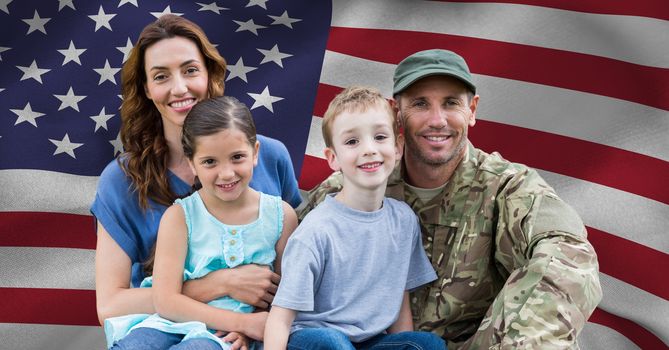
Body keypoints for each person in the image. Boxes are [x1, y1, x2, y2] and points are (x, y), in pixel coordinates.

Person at [298, 50, 603, 349]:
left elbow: (569, 258)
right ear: (396, 112)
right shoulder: (354, 186)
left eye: (451, 103)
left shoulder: (505, 187)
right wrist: (247, 282)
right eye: (420, 104)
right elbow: (280, 247)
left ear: (472, 110)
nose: (437, 120)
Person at [91, 14, 301, 344]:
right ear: (147, 89)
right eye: (161, 76)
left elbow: (295, 269)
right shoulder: (121, 180)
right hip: (157, 333)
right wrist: (221, 284)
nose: (179, 88)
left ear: (210, 74)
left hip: (249, 334)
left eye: (190, 70)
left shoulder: (270, 157)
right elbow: (110, 305)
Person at [105, 96, 298, 349]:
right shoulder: (179, 217)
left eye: (237, 157)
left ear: (255, 153)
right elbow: (166, 302)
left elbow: (287, 297)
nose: (226, 173)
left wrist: (250, 330)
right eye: (209, 162)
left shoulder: (281, 217)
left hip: (228, 338)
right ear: (191, 163)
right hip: (169, 323)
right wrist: (240, 322)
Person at [264, 86, 445, 350]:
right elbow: (280, 319)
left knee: (426, 345)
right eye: (352, 141)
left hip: (370, 342)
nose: (369, 149)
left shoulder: (404, 220)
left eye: (380, 137)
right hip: (313, 339)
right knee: (333, 344)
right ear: (333, 158)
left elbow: (399, 299)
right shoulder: (317, 231)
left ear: (398, 147)